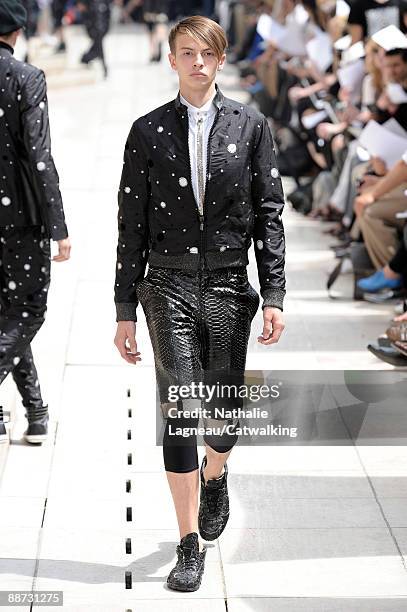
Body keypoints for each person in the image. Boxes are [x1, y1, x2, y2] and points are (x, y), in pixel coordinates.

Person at [114, 15, 286, 592]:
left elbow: (269, 213)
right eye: (186, 53)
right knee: (182, 411)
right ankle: (189, 543)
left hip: (230, 287)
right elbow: (129, 227)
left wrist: (276, 293)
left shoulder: (251, 125)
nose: (197, 63)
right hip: (166, 286)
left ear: (219, 58)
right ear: (171, 60)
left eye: (206, 53)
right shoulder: (147, 131)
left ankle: (217, 474)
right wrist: (122, 310)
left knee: (225, 419)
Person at [0, 0, 71, 445]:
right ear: (19, 32)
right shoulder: (25, 78)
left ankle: (37, 412)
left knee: (6, 314)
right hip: (19, 217)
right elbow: (39, 157)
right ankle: (36, 412)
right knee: (26, 311)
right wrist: (58, 225)